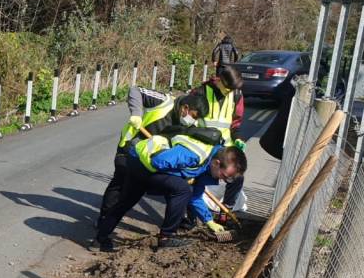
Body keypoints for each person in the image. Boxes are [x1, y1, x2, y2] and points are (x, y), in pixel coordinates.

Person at [92, 133, 248, 252]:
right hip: (141, 162)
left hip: (141, 162)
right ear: (217, 163)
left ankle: (100, 239)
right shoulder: (195, 155)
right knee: (182, 189)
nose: (222, 180)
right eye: (224, 176)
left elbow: (195, 197)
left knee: (126, 202)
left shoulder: (207, 166)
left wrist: (209, 221)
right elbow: (158, 161)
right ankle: (166, 238)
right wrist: (182, 175)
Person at [93, 88, 216, 232]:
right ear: (185, 108)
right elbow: (135, 90)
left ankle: (174, 223)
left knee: (175, 187)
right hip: (130, 148)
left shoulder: (187, 125)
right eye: (193, 116)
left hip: (152, 158)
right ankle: (104, 220)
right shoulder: (164, 102)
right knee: (120, 182)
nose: (193, 121)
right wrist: (136, 114)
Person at [192, 66, 247, 220]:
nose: (229, 92)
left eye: (232, 90)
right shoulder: (201, 92)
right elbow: (188, 120)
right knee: (195, 182)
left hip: (224, 149)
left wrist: (238, 138)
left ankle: (225, 212)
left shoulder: (236, 95)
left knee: (237, 177)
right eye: (227, 88)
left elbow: (235, 123)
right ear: (220, 80)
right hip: (201, 147)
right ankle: (191, 219)